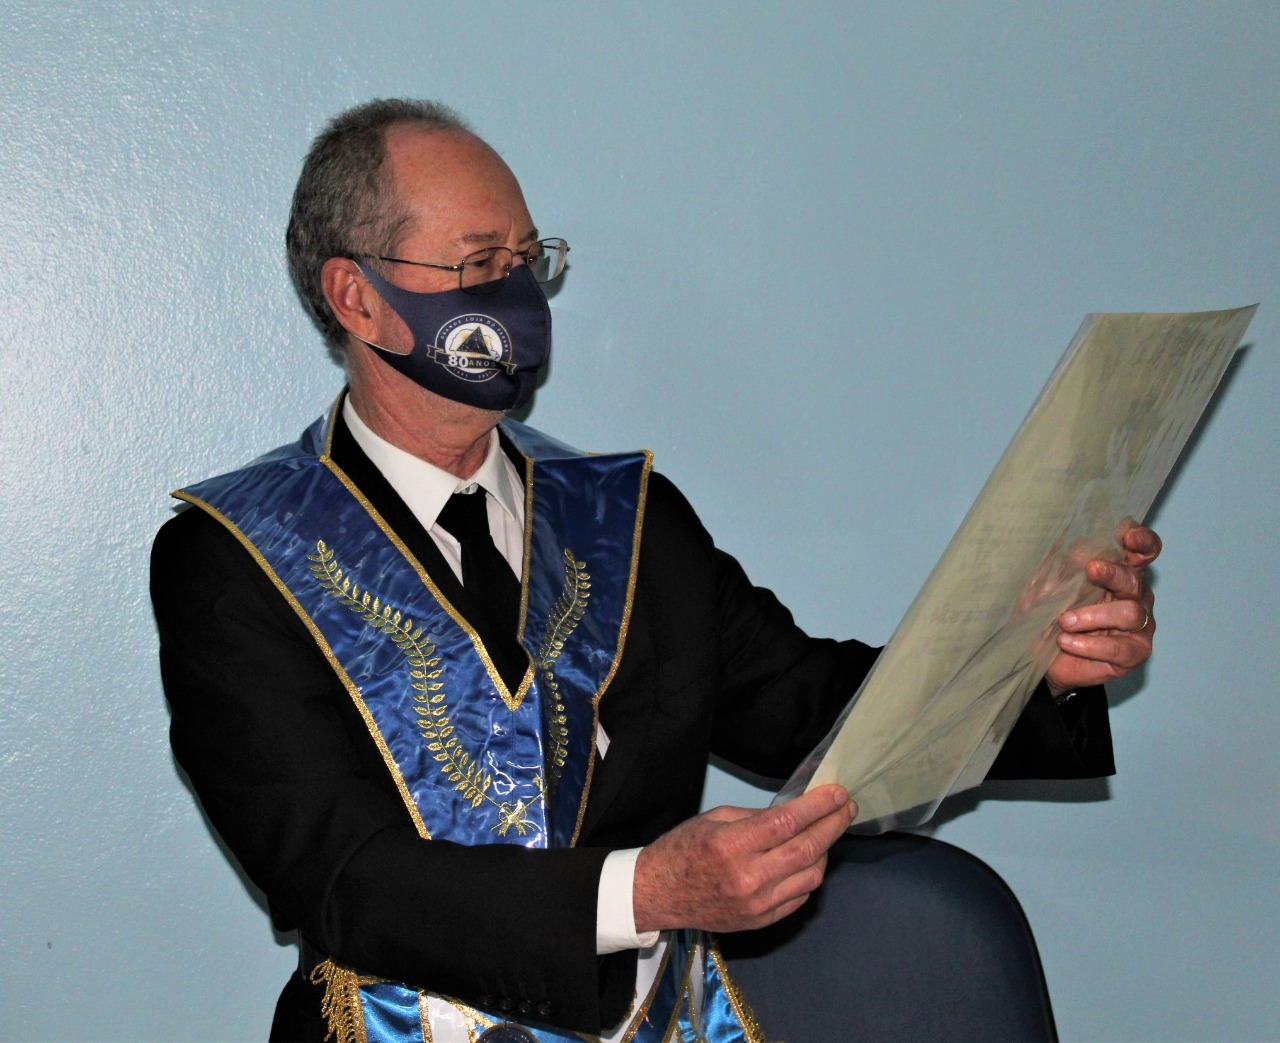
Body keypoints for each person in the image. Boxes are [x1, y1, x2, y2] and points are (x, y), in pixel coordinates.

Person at [151, 98, 1160, 1043]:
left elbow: (813, 706)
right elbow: (340, 877)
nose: (518, 291)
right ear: (358, 298)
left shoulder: (627, 520)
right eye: (479, 263)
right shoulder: (237, 555)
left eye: (527, 258)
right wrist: (645, 892)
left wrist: (1029, 660)